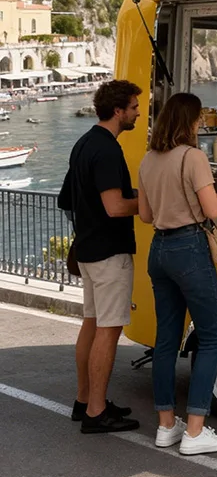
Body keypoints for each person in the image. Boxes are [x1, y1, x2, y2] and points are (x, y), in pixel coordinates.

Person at [137, 92, 217, 455]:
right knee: (213, 337)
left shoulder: (148, 159)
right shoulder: (193, 157)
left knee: (166, 340)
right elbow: (212, 208)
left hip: (159, 250)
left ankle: (167, 426)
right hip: (189, 249)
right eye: (198, 119)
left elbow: (146, 216)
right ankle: (196, 432)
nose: (200, 125)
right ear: (190, 122)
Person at [58, 79, 142, 434]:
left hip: (89, 250)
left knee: (91, 326)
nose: (139, 112)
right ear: (119, 110)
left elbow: (66, 199)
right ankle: (96, 412)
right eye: (135, 107)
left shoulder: (83, 143)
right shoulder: (108, 150)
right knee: (108, 330)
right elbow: (116, 206)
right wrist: (149, 201)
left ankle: (84, 400)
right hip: (110, 254)